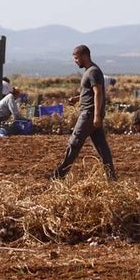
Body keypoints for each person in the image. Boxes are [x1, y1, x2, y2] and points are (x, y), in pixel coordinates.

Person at [51, 45, 116, 180]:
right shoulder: (89, 71)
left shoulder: (93, 72)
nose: (75, 61)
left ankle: (58, 175)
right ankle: (111, 178)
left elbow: (98, 93)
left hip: (89, 114)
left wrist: (97, 116)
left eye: (76, 58)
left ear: (84, 56)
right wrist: (77, 98)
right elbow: (90, 92)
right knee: (101, 147)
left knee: (74, 143)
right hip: (91, 114)